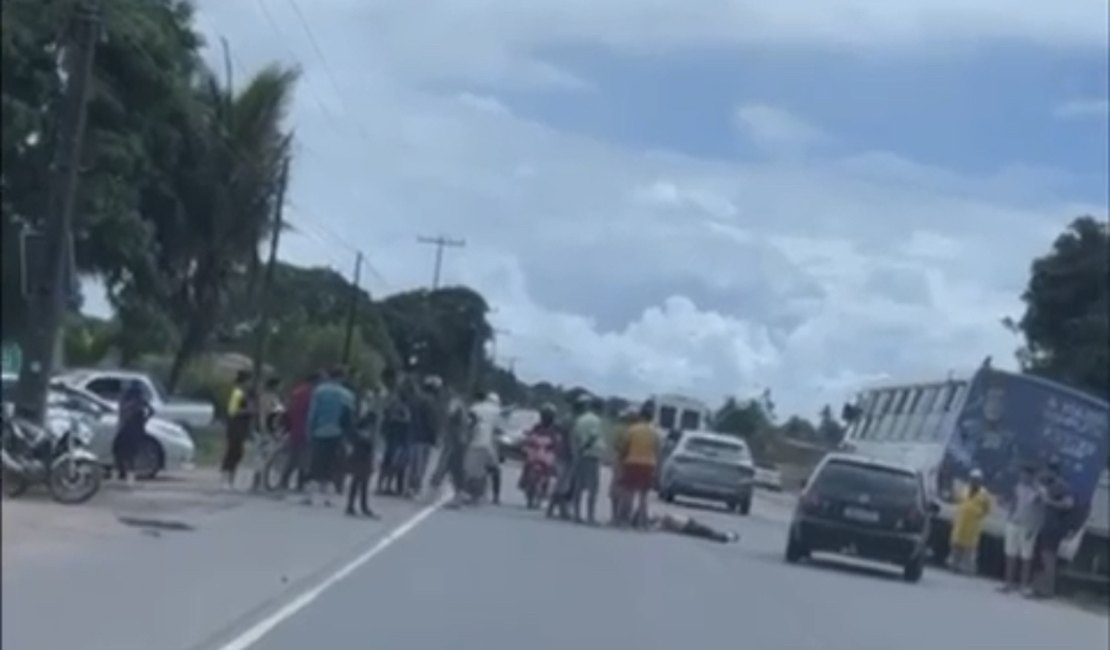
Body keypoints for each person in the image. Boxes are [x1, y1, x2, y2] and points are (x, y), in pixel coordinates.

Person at [303, 367, 355, 507]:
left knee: (316, 464)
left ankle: (310, 496)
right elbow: (349, 418)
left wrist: (309, 430)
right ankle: (328, 498)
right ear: (342, 377)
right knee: (331, 466)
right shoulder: (347, 395)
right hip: (337, 433)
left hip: (319, 432)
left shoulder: (319, 391)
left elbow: (312, 413)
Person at [1031, 461, 1075, 599]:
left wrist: (1050, 502)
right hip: (1045, 526)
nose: (1045, 473)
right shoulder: (1047, 486)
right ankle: (1038, 588)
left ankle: (1048, 590)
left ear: (1053, 472)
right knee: (1040, 557)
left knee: (1048, 558)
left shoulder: (1061, 486)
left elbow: (1069, 504)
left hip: (1054, 527)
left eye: (1047, 470)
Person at [998, 465, 1044, 595]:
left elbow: (1040, 512)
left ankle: (1024, 585)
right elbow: (1012, 504)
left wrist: (1034, 527)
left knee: (1026, 557)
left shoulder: (1038, 491)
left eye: (1027, 475)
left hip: (1028, 526)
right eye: (1022, 474)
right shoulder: (1017, 487)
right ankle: (1008, 583)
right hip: (1013, 523)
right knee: (1010, 554)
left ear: (1032, 476)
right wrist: (1004, 505)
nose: (1023, 477)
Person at [455, 391, 502, 507]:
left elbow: (467, 424)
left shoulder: (475, 408)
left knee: (469, 470)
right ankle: (494, 496)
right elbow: (499, 429)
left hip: (474, 443)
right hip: (487, 445)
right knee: (494, 470)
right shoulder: (497, 412)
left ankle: (466, 494)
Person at [616, 401, 659, 529]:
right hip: (648, 465)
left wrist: (621, 461)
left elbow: (624, 447)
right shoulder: (655, 433)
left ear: (641, 416)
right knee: (643, 495)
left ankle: (624, 520)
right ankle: (641, 521)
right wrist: (657, 470)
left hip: (632, 462)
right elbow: (657, 451)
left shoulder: (632, 430)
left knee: (628, 492)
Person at [948, 468, 992, 574]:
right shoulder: (964, 489)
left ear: (980, 481)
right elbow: (958, 501)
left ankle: (967, 568)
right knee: (956, 544)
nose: (974, 481)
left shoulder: (984, 493)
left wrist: (979, 514)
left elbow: (988, 508)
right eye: (972, 479)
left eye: (976, 479)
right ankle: (954, 565)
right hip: (961, 520)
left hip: (973, 523)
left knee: (970, 547)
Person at [280, 371, 318, 492]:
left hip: (294, 427)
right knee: (304, 457)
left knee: (294, 456)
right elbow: (310, 412)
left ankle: (284, 480)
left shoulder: (297, 390)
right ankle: (299, 483)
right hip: (304, 427)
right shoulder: (310, 393)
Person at [518, 403, 560, 508]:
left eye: (548, 415)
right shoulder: (537, 426)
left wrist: (556, 446)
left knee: (551, 471)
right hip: (536, 451)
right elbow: (530, 436)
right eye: (545, 415)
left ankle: (545, 490)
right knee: (527, 465)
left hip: (547, 453)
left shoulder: (555, 428)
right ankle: (523, 483)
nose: (546, 417)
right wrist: (527, 442)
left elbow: (557, 441)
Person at [570, 395, 604, 524]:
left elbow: (575, 437)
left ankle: (576, 514)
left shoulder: (579, 420)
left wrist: (578, 451)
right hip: (592, 455)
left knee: (578, 486)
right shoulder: (596, 420)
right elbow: (594, 436)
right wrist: (585, 448)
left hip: (581, 455)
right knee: (592, 488)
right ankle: (590, 516)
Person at [406, 376, 441, 498]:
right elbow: (432, 421)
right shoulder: (431, 401)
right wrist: (435, 436)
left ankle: (410, 487)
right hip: (424, 437)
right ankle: (415, 487)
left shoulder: (416, 398)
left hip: (413, 434)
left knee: (412, 464)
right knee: (420, 465)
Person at [377, 374, 412, 496]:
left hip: (393, 436)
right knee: (392, 463)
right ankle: (384, 486)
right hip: (396, 437)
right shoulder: (400, 406)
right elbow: (405, 419)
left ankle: (383, 486)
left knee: (390, 463)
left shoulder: (393, 403)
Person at [345, 399, 379, 518]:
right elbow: (369, 443)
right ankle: (362, 506)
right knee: (362, 482)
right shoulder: (367, 430)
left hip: (358, 455)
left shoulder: (358, 428)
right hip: (364, 457)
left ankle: (352, 505)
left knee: (357, 482)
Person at [430, 390, 468, 497]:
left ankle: (439, 480)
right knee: (449, 460)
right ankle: (439, 480)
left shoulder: (458, 404)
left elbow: (450, 415)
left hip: (455, 437)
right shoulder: (458, 404)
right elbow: (451, 415)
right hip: (455, 437)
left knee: (448, 460)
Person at [114, 381, 152, 486]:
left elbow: (121, 415)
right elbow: (151, 411)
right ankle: (128, 476)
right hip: (136, 429)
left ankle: (123, 475)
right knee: (130, 454)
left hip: (126, 428)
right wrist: (144, 420)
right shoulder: (140, 403)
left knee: (121, 452)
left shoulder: (126, 402)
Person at [222, 371, 254, 489]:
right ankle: (226, 479)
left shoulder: (245, 394)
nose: (250, 384)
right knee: (232, 452)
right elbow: (232, 411)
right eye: (248, 381)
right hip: (235, 427)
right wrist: (248, 411)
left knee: (238, 453)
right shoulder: (237, 393)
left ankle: (231, 479)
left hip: (241, 427)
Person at [650, 511, 740, 544]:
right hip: (688, 525)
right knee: (708, 532)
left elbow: (659, 527)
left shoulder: (665, 518)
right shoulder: (665, 519)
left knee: (708, 533)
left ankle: (728, 536)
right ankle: (728, 536)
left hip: (687, 525)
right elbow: (659, 527)